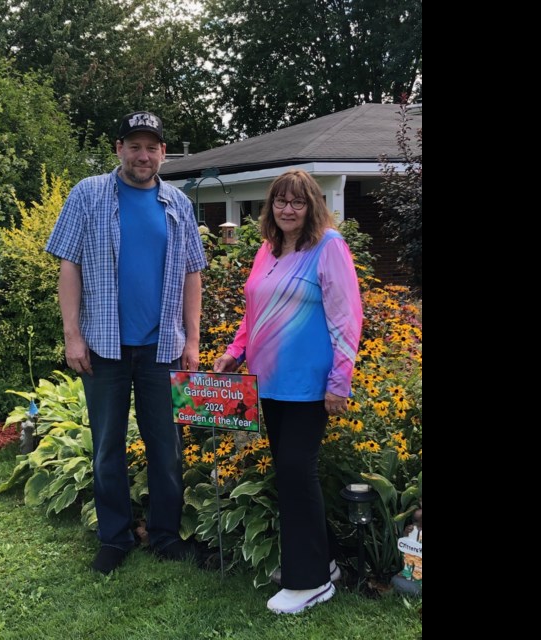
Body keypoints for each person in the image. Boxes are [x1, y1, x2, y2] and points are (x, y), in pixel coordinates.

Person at [46, 111, 207, 574]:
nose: (143, 155)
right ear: (119, 149)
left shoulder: (178, 204)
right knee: (107, 448)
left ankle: (164, 536)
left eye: (152, 147)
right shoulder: (89, 194)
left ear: (162, 153)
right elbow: (69, 266)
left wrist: (192, 341)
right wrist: (72, 336)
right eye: (134, 146)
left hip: (164, 349)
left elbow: (192, 273)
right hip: (104, 348)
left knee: (167, 448)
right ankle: (114, 539)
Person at [213, 169, 362, 614]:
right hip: (268, 384)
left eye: (297, 201)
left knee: (297, 472)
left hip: (309, 386)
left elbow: (346, 316)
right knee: (293, 476)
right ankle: (323, 563)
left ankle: (310, 582)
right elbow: (252, 312)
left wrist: (339, 381)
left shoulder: (328, 247)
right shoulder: (268, 249)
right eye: (280, 201)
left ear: (312, 205)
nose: (288, 209)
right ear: (271, 206)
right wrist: (233, 353)